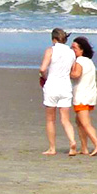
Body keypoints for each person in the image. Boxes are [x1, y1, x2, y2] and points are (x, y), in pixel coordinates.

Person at [39, 27, 78, 155]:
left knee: (50, 119)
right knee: (65, 119)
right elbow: (72, 71)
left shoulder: (51, 50)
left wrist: (44, 77)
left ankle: (52, 148)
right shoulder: (72, 53)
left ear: (53, 39)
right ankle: (72, 141)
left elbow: (43, 69)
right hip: (66, 86)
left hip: (52, 86)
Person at [69, 36, 97, 156]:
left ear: (81, 50)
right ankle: (84, 148)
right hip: (90, 95)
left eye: (74, 48)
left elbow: (76, 75)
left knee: (85, 122)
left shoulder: (79, 61)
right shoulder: (89, 62)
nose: (71, 49)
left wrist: (66, 72)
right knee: (79, 121)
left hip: (81, 95)